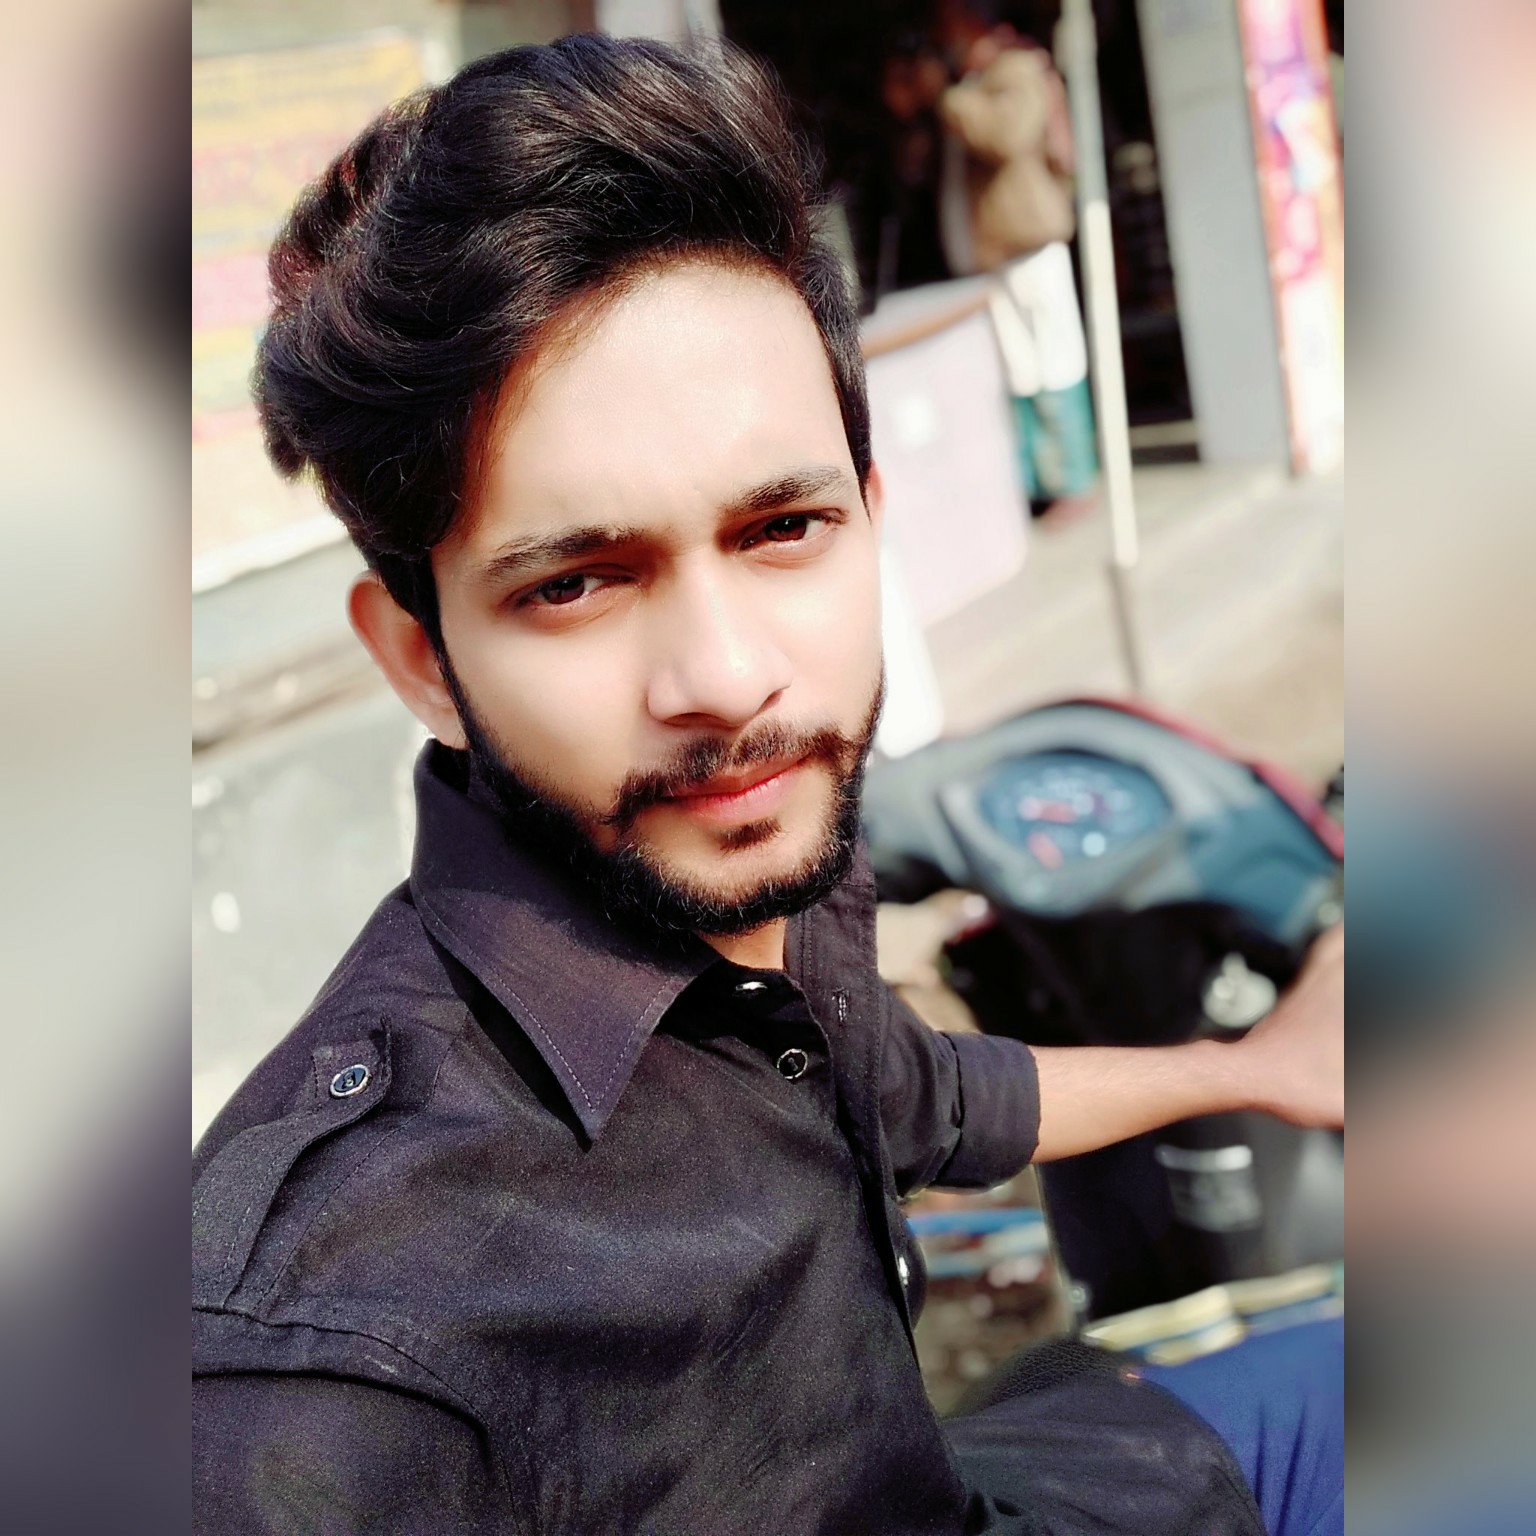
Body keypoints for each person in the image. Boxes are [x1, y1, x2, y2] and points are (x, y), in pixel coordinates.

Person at [192, 34, 1342, 1534]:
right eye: (576, 583)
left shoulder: (771, 876)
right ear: (420, 658)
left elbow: (925, 1096)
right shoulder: (329, 1352)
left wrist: (1252, 1070)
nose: (729, 679)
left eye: (782, 530)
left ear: (872, 519)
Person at [936, 1, 1099, 518]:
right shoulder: (976, 82)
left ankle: (1074, 481)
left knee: (1054, 360)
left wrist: (947, 98)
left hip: (1031, 244)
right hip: (995, 255)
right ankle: (1042, 485)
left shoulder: (1017, 69)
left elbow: (1007, 136)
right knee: (1021, 369)